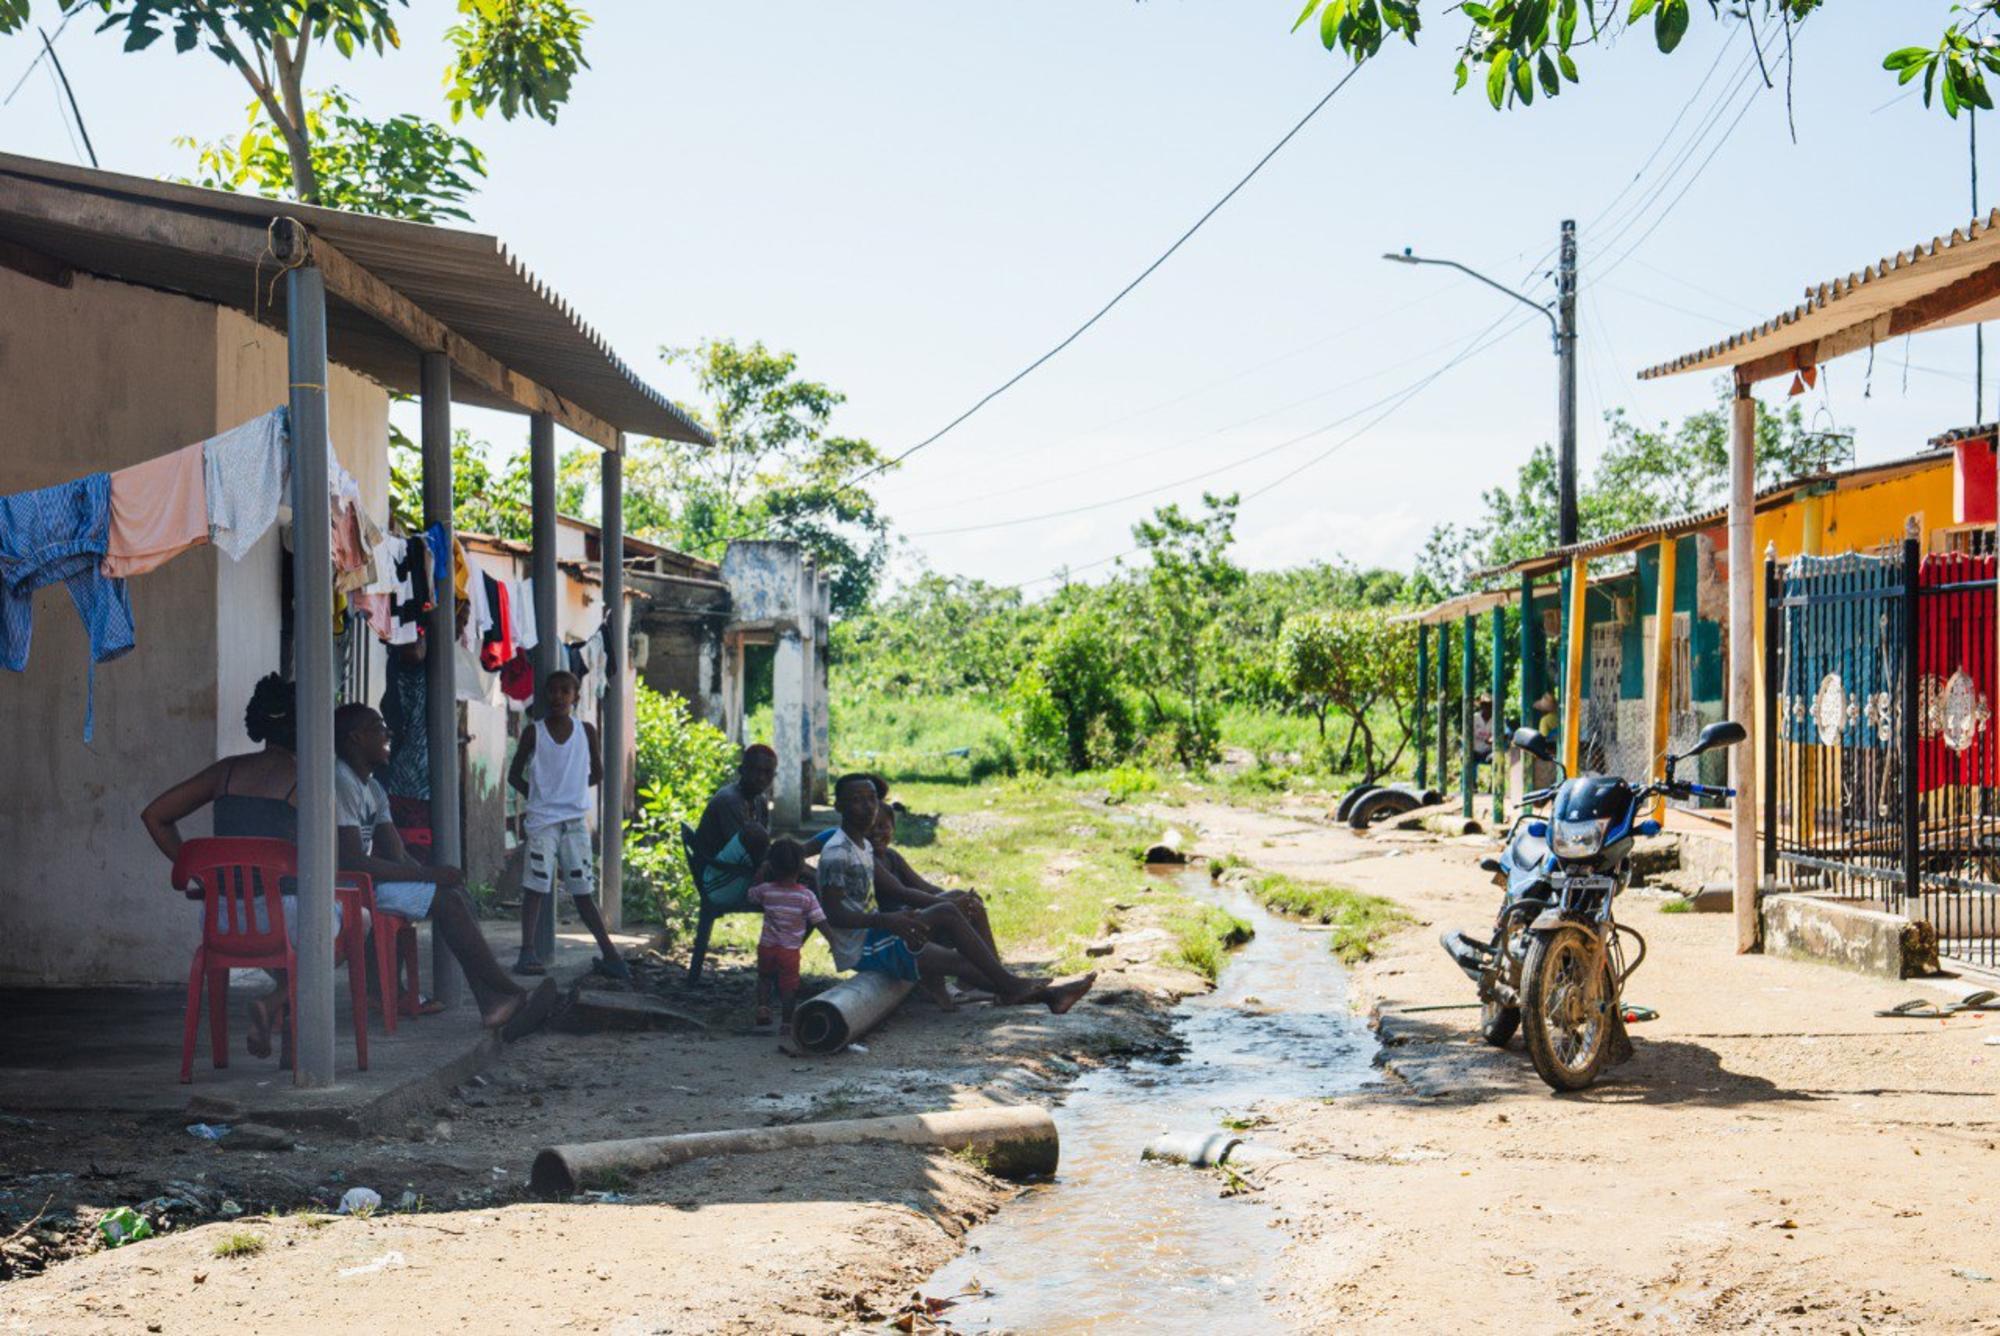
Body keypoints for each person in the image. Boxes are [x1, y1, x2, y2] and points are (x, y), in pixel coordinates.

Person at [334, 703, 557, 1039]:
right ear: (355, 737)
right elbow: (351, 860)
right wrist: (429, 878)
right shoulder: (341, 781)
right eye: (378, 728)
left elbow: (397, 854)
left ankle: (493, 1001)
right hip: (345, 888)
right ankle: (503, 991)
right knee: (446, 900)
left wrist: (434, 874)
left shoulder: (373, 789)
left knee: (454, 895)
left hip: (367, 884)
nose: (387, 734)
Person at [141, 674, 318, 1063]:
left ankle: (283, 1026)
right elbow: (326, 861)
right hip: (283, 918)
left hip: (221, 920)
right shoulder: (308, 780)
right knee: (347, 928)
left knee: (298, 946)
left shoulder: (225, 772)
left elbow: (155, 815)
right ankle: (273, 1004)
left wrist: (199, 873)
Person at [818, 773, 1095, 1014]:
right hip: (861, 947)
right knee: (948, 920)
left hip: (881, 934)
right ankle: (1014, 985)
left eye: (871, 799)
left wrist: (940, 902)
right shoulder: (837, 852)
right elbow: (834, 914)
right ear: (839, 805)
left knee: (957, 934)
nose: (867, 807)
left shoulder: (861, 846)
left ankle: (1043, 995)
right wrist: (888, 921)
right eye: (856, 800)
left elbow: (905, 890)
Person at [507, 671, 628, 980]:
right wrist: (540, 796)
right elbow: (514, 775)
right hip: (543, 822)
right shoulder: (534, 733)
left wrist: (569, 792)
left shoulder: (586, 731)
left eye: (565, 691)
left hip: (574, 822)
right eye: (553, 691)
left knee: (582, 888)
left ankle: (610, 954)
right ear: (545, 696)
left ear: (576, 696)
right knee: (535, 885)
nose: (558, 696)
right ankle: (527, 952)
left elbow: (597, 773)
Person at [746, 837, 825, 1031]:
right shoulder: (806, 896)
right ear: (801, 868)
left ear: (771, 866)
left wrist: (758, 875)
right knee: (789, 986)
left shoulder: (766, 891)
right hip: (789, 950)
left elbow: (750, 895)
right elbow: (819, 920)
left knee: (765, 977)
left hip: (767, 947)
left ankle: (763, 1008)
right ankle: (787, 1022)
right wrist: (833, 939)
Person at [689, 744, 780, 911]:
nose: (761, 778)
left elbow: (763, 851)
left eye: (768, 773)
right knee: (797, 883)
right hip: (720, 882)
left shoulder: (759, 800)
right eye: (756, 771)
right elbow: (753, 848)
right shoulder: (729, 800)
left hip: (740, 875)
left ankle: (789, 937)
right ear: (742, 770)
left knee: (806, 883)